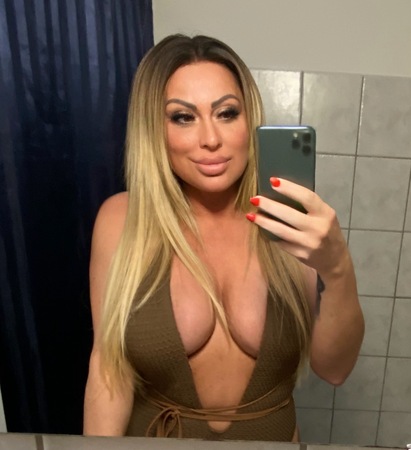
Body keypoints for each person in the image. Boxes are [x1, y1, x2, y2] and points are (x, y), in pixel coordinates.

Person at [83, 34, 364, 441]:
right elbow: (109, 370)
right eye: (183, 117)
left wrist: (337, 269)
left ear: (250, 120)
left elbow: (335, 369)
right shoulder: (122, 220)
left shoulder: (290, 220)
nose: (211, 139)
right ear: (154, 129)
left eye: (227, 113)